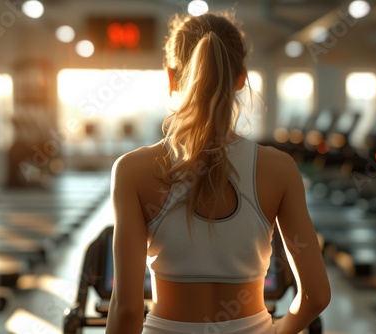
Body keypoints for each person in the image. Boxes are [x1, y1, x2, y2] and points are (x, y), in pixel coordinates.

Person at [105, 11, 330, 334]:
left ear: (171, 76)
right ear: (240, 78)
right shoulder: (279, 169)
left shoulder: (132, 170)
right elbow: (316, 295)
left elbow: (126, 310)